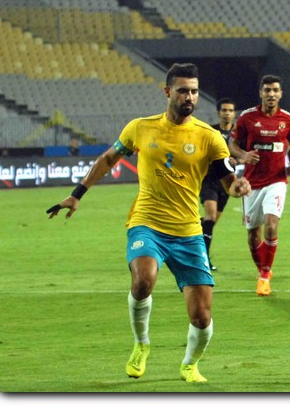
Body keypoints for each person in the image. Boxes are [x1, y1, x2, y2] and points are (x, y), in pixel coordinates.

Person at [46, 63, 251, 383]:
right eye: (183, 90)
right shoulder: (140, 127)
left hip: (188, 231)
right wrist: (77, 194)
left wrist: (238, 187)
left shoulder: (210, 137)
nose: (189, 97)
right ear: (168, 92)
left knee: (201, 316)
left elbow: (228, 181)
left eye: (194, 92)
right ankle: (141, 344)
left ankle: (190, 364)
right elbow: (108, 159)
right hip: (147, 222)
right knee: (143, 280)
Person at [228, 74, 290, 297]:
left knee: (271, 225)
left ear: (281, 94)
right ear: (261, 93)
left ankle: (265, 276)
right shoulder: (247, 118)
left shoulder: (289, 120)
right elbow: (233, 144)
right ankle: (263, 268)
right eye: (267, 90)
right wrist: (243, 155)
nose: (271, 94)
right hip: (251, 184)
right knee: (253, 236)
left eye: (275, 90)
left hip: (277, 181)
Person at [200, 97, 240, 271]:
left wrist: (237, 160)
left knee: (211, 221)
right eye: (224, 110)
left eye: (230, 110)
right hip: (209, 179)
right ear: (219, 112)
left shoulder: (238, 134)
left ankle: (191, 230)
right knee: (210, 217)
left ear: (234, 113)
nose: (227, 113)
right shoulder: (211, 131)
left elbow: (242, 153)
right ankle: (204, 259)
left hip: (227, 182)